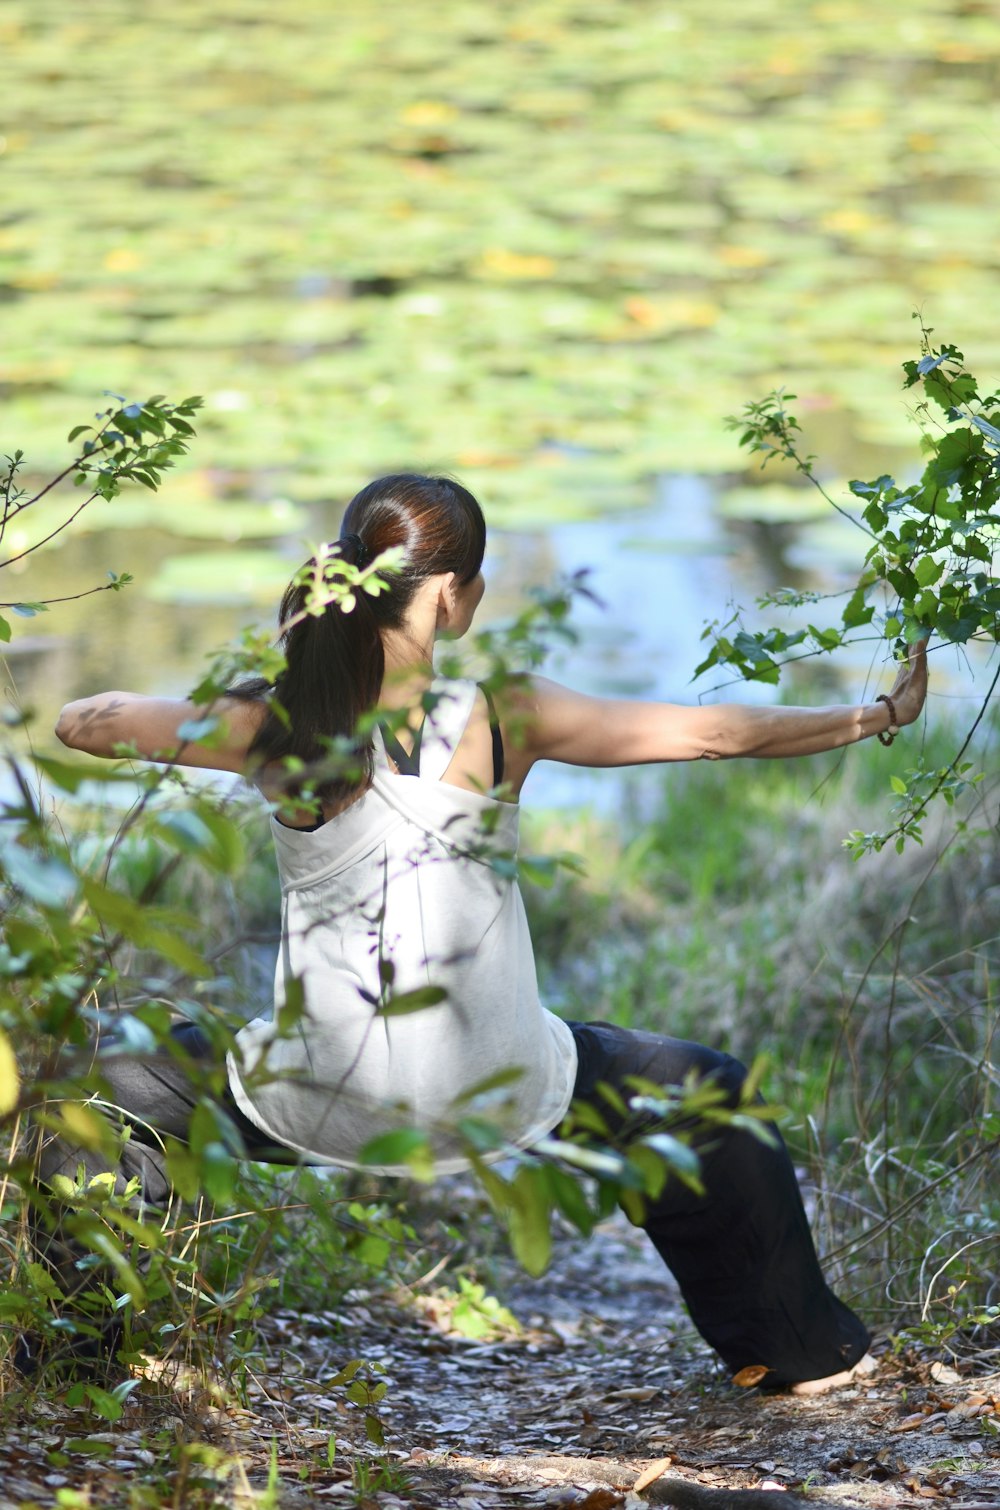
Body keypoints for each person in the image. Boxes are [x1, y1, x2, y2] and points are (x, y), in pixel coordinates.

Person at [47, 473, 928, 1391]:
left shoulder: (275, 725)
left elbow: (83, 723)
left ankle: (78, 1361)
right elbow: (715, 733)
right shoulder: (508, 715)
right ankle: (797, 1355)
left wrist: (257, 683)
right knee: (710, 1096)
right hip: (496, 1086)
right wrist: (876, 714)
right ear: (449, 593)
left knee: (97, 1083)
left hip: (321, 1088)